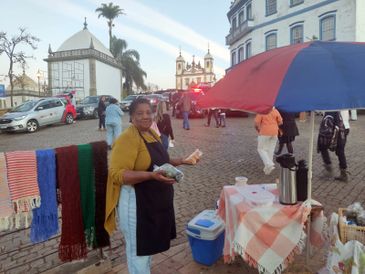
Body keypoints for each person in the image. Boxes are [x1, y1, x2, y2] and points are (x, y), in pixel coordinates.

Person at [105, 97, 196, 274]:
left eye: (148, 112)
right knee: (138, 253)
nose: (145, 116)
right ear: (131, 116)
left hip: (153, 204)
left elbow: (162, 160)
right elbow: (117, 173)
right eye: (139, 113)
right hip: (136, 206)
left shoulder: (151, 134)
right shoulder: (127, 139)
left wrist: (183, 161)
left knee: (147, 252)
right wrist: (151, 176)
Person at [317, 111, 349, 182]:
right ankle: (343, 173)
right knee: (340, 151)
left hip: (337, 128)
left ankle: (330, 170)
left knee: (323, 146)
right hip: (343, 127)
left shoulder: (332, 107)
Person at [254, 107, 283, 175]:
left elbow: (256, 123)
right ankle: (268, 170)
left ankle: (269, 164)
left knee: (260, 149)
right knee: (270, 150)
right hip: (274, 132)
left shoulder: (262, 111)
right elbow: (280, 122)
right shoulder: (275, 111)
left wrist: (258, 129)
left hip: (265, 132)